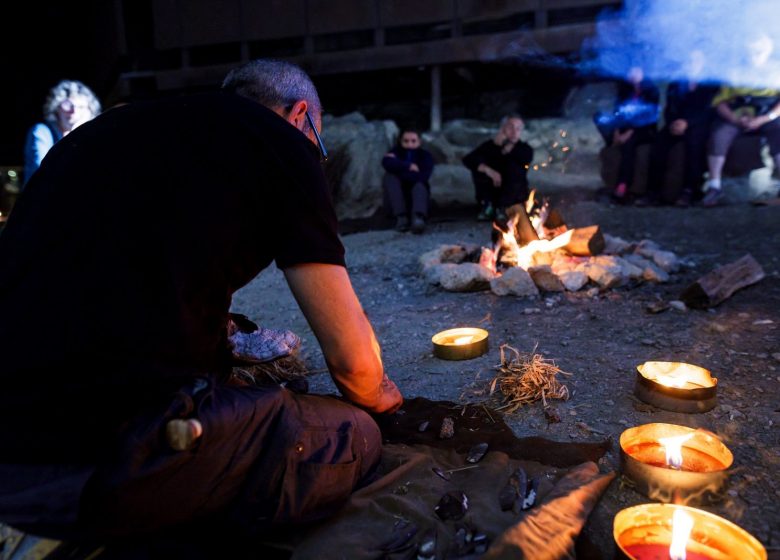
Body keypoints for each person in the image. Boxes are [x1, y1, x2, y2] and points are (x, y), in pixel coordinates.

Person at [0, 59, 402, 541]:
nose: (315, 155)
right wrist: (379, 398)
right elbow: (352, 364)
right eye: (317, 142)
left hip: (9, 443)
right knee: (352, 435)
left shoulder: (100, 134)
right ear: (300, 116)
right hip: (98, 463)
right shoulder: (283, 145)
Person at [701, 33, 780, 207]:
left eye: (760, 50)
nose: (755, 54)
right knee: (720, 133)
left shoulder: (776, 70)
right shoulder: (734, 71)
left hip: (768, 115)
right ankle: (714, 186)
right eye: (752, 50)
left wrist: (764, 119)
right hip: (738, 116)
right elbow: (720, 102)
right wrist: (735, 119)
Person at [638, 51, 718, 207]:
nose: (691, 64)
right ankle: (653, 192)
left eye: (695, 60)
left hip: (698, 124)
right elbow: (669, 107)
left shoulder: (710, 83)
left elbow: (709, 109)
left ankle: (689, 190)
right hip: (676, 123)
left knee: (695, 144)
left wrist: (688, 122)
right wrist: (673, 123)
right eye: (688, 61)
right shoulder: (676, 83)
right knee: (659, 145)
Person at [594, 66, 660, 201]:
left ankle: (623, 184)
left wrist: (629, 133)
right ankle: (613, 141)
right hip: (626, 126)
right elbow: (619, 113)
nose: (632, 75)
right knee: (600, 118)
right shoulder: (625, 90)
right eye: (630, 72)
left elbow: (647, 117)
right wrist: (617, 132)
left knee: (628, 144)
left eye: (636, 71)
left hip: (644, 129)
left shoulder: (652, 91)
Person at [23, 79, 101, 187]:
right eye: (68, 105)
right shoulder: (41, 132)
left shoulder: (90, 137)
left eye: (81, 107)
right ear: (57, 107)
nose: (74, 111)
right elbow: (43, 173)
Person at [462, 114, 533, 221]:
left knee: (513, 166)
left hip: (513, 195)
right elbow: (468, 159)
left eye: (518, 128)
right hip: (492, 191)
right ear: (503, 128)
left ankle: (504, 208)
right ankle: (488, 206)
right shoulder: (490, 146)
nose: (514, 131)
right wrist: (488, 170)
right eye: (510, 127)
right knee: (480, 167)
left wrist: (506, 150)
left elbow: (523, 159)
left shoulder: (524, 148)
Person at [381, 129, 434, 234]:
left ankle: (418, 218)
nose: (410, 144)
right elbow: (386, 163)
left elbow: (423, 176)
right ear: (401, 141)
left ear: (419, 142)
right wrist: (408, 166)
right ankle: (401, 218)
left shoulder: (425, 156)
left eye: (413, 141)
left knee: (419, 184)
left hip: (417, 196)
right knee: (390, 177)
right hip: (397, 199)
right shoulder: (396, 152)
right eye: (406, 141)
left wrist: (399, 170)